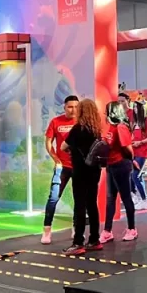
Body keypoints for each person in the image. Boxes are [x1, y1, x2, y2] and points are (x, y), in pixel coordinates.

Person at [61, 99, 105, 255]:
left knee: (79, 205)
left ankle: (78, 242)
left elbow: (63, 146)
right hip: (94, 171)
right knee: (92, 204)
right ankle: (94, 239)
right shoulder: (96, 130)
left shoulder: (77, 129)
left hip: (80, 171)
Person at [41, 95, 79, 244]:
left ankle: (76, 227)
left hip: (78, 167)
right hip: (61, 167)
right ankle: (46, 231)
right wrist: (55, 158)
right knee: (53, 198)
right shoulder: (56, 121)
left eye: (76, 107)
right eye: (70, 107)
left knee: (78, 198)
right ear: (64, 107)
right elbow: (48, 142)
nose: (73, 110)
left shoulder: (81, 122)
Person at [101, 101, 139, 243]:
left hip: (121, 165)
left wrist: (131, 160)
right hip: (111, 165)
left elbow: (127, 148)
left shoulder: (121, 127)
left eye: (107, 111)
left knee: (126, 197)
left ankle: (132, 229)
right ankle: (107, 231)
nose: (105, 113)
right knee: (110, 199)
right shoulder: (112, 127)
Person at [130, 103, 147, 210]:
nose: (134, 109)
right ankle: (141, 199)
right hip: (134, 151)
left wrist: (140, 142)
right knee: (137, 176)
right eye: (134, 107)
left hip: (143, 151)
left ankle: (144, 200)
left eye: (136, 107)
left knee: (135, 175)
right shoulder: (135, 121)